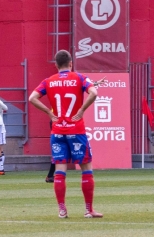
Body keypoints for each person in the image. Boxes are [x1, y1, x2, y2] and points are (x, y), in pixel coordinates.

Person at [29, 49, 102, 218]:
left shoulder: (49, 81)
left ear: (56, 65)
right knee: (86, 169)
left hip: (57, 131)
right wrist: (82, 109)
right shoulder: (79, 78)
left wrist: (49, 112)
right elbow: (94, 92)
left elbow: (32, 98)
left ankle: (62, 210)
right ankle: (88, 210)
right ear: (71, 63)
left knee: (60, 171)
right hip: (76, 129)